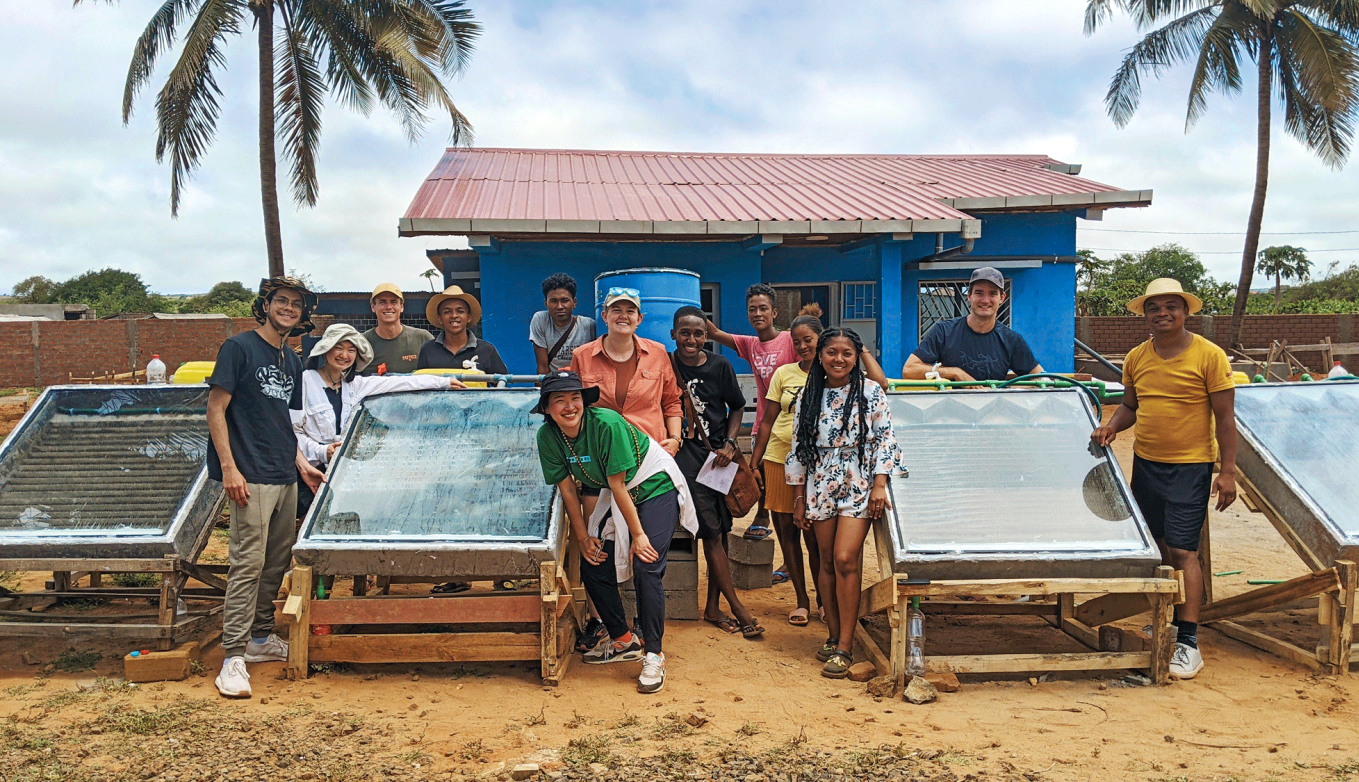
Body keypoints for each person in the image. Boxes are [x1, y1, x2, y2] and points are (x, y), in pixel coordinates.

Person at [1091, 278, 1237, 680]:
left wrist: (1227, 471)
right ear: (1145, 314)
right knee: (1157, 547)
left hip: (1191, 466)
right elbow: (1130, 405)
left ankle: (1188, 642)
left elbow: (1225, 419)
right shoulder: (1137, 357)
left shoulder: (1209, 356)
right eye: (1154, 307)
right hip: (1147, 463)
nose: (1163, 313)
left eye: (1172, 306)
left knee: (1185, 551)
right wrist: (1111, 427)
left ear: (1186, 312)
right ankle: (1167, 620)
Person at [534, 371, 698, 694]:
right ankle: (624, 640)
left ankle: (654, 653)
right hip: (618, 492)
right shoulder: (547, 437)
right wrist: (582, 538)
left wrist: (638, 536)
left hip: (652, 484)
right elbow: (568, 491)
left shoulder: (605, 424)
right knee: (592, 560)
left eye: (575, 398)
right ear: (547, 409)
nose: (569, 406)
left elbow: (617, 484)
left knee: (646, 565)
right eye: (559, 400)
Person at [206, 276, 325, 699]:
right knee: (247, 564)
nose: (288, 308)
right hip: (249, 474)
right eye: (281, 301)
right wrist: (229, 468)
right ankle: (232, 657)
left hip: (283, 474)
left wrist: (302, 466)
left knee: (275, 564)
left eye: (295, 304)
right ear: (266, 305)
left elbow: (284, 423)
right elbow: (216, 409)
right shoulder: (238, 349)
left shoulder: (291, 360)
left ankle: (259, 639)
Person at [787, 327, 905, 678]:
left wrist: (880, 485)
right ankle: (833, 633)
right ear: (820, 356)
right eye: (832, 352)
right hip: (820, 482)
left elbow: (885, 441)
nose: (839, 359)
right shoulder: (809, 395)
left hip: (858, 481)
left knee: (844, 559)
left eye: (847, 353)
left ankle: (847, 645)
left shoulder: (870, 393)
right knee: (824, 561)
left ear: (857, 358)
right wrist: (798, 497)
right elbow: (796, 450)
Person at [293, 323, 465, 519]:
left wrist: (443, 382)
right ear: (325, 350)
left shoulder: (354, 384)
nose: (344, 355)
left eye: (351, 350)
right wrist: (322, 451)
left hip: (341, 473)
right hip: (308, 474)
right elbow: (292, 431)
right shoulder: (305, 381)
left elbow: (399, 382)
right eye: (339, 348)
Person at [669, 306, 763, 638]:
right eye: (685, 332)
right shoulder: (666, 364)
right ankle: (737, 606)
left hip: (717, 457)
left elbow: (737, 405)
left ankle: (713, 607)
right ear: (674, 335)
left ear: (707, 337)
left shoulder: (720, 366)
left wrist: (730, 442)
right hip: (685, 457)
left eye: (698, 333)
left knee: (722, 529)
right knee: (709, 531)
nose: (691, 339)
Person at [706, 283, 797, 542]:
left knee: (790, 484)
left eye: (763, 309)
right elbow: (713, 333)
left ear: (775, 313)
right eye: (752, 309)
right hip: (763, 422)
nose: (758, 313)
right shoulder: (749, 344)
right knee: (763, 474)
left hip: (790, 425)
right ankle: (762, 516)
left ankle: (781, 531)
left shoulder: (789, 340)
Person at [569, 287, 683, 452]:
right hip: (601, 451)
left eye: (630, 311)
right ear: (604, 316)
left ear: (639, 319)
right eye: (616, 310)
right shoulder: (582, 356)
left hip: (650, 450)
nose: (623, 316)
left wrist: (675, 439)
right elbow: (574, 403)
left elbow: (671, 401)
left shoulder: (658, 353)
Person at [901, 267, 1043, 382]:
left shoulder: (1011, 340)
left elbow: (1042, 378)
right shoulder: (944, 332)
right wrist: (954, 373)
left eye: (992, 294)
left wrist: (1004, 390)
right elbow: (909, 370)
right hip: (950, 413)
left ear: (1002, 298)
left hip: (994, 414)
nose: (985, 300)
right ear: (969, 296)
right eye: (979, 293)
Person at [417, 285, 509, 375]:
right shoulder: (428, 350)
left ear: (468, 317)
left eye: (460, 311)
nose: (454, 316)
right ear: (440, 318)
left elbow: (502, 384)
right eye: (447, 312)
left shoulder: (487, 350)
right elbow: (421, 383)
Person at [359, 283, 432, 376]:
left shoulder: (423, 338)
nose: (388, 307)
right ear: (373, 307)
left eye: (394, 302)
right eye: (382, 302)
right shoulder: (362, 342)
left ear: (401, 307)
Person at [531, 273, 596, 374]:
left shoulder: (589, 326)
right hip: (553, 383)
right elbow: (542, 367)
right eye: (554, 301)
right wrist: (544, 389)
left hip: (580, 383)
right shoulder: (541, 320)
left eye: (565, 301)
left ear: (574, 303)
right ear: (546, 304)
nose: (560, 306)